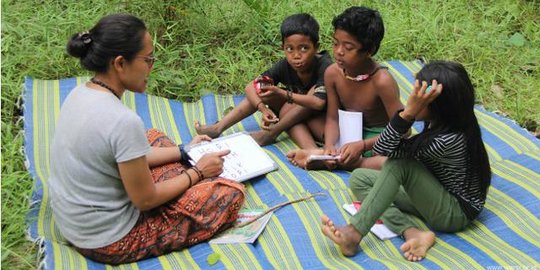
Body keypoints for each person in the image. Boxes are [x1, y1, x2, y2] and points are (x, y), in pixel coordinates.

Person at [49, 14, 245, 265]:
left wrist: (184, 150)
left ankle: (183, 166)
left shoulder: (79, 92)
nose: (152, 66)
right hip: (110, 240)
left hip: (78, 224)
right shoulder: (122, 121)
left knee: (151, 137)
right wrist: (197, 172)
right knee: (227, 194)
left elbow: (133, 153)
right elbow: (145, 200)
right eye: (148, 59)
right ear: (120, 63)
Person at [320, 61, 492, 261]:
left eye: (418, 96)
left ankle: (354, 233)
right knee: (360, 179)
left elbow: (385, 151)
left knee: (398, 164)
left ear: (437, 105)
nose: (411, 99)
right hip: (435, 192)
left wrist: (408, 113)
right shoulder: (443, 122)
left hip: (454, 213)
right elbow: (390, 150)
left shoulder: (447, 139)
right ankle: (412, 232)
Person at [287, 6, 403, 170]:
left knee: (391, 164)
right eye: (335, 43)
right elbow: (333, 118)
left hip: (378, 138)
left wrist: (362, 145)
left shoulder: (382, 81)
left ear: (369, 50)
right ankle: (328, 155)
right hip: (348, 132)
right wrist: (329, 145)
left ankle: (325, 158)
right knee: (298, 115)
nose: (338, 51)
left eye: (348, 47)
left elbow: (403, 132)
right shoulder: (333, 73)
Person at [195, 13, 333, 148]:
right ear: (282, 48)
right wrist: (262, 108)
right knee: (265, 92)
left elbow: (318, 103)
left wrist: (282, 93)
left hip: (322, 122)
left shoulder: (325, 66)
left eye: (304, 48)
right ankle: (218, 127)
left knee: (294, 104)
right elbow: (251, 87)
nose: (296, 55)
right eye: (290, 49)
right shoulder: (285, 65)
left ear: (316, 47)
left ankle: (305, 148)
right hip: (294, 115)